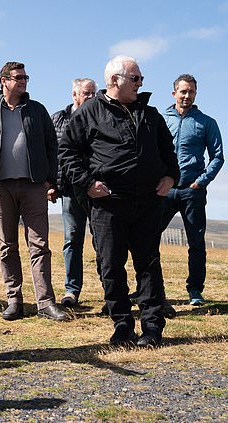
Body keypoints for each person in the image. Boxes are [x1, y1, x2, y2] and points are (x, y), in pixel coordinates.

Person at [59, 55, 179, 348]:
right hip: (108, 204)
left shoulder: (151, 116)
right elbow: (67, 152)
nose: (140, 83)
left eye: (140, 79)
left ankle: (152, 327)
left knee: (148, 265)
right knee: (111, 265)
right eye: (135, 78)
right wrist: (87, 183)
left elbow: (169, 155)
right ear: (115, 81)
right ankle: (122, 325)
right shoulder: (88, 113)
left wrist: (170, 178)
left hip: (148, 202)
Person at [0, 61, 69, 322]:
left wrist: (50, 180)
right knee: (7, 247)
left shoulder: (37, 110)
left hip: (34, 186)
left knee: (40, 245)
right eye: (18, 77)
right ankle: (14, 300)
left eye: (26, 77)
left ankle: (45, 303)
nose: (24, 81)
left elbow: (51, 147)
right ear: (4, 80)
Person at [161, 74, 224, 306]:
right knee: (146, 239)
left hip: (192, 191)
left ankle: (195, 290)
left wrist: (202, 181)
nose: (187, 96)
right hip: (164, 191)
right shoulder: (160, 119)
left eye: (191, 92)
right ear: (174, 93)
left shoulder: (207, 122)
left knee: (196, 243)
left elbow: (218, 156)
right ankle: (149, 287)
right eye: (183, 91)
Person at [51, 78, 96, 308]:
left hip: (97, 189)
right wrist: (51, 184)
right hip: (70, 190)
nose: (91, 97)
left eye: (94, 93)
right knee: (72, 240)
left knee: (103, 241)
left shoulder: (102, 116)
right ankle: (72, 290)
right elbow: (52, 154)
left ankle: (111, 290)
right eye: (87, 93)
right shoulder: (58, 119)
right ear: (75, 94)